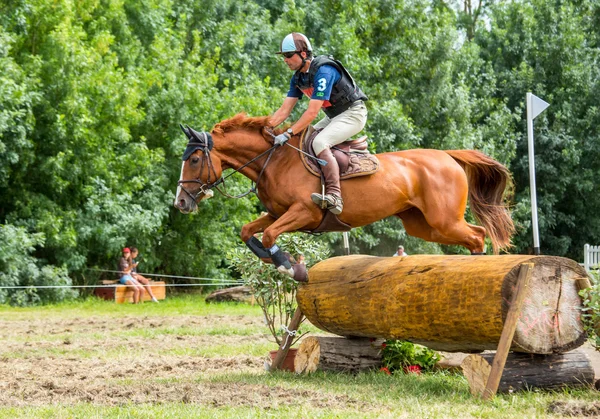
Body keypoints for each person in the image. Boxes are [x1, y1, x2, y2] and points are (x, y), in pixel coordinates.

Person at [269, 32, 369, 215]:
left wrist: (288, 132)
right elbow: (284, 111)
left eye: (288, 55)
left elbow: (312, 112)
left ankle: (335, 195)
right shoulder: (298, 78)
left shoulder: (323, 71)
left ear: (304, 54)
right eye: (284, 56)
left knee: (319, 142)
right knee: (302, 140)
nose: (285, 60)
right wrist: (266, 128)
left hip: (353, 113)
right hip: (334, 116)